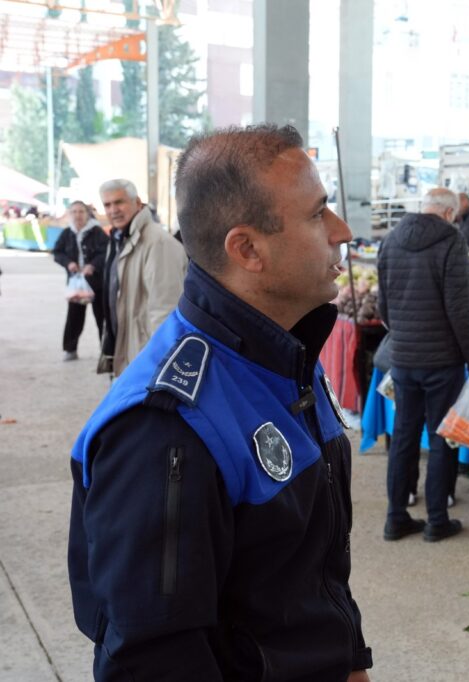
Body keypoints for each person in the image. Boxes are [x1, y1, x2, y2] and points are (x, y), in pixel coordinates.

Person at [68, 124, 373, 680]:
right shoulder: (164, 426)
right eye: (316, 214)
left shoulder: (289, 359)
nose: (342, 231)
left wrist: (351, 662)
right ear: (247, 248)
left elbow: (312, 570)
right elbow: (153, 659)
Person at [377, 187, 469, 542]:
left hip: (404, 358)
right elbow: (460, 311)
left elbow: (383, 306)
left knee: (404, 436)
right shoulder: (452, 241)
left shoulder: (391, 240)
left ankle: (396, 518)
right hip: (442, 362)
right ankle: (437, 521)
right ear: (450, 213)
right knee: (442, 438)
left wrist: (405, 334)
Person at [98, 179, 187, 376]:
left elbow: (165, 310)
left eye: (119, 202)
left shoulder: (158, 244)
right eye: (107, 204)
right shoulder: (120, 238)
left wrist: (160, 365)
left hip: (145, 355)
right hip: (127, 348)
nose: (113, 210)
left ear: (137, 203)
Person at [52, 201, 109, 361]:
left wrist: (93, 265)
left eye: (81, 212)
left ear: (87, 213)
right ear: (70, 214)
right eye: (74, 211)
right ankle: (70, 349)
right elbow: (57, 252)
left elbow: (106, 251)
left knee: (102, 318)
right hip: (77, 284)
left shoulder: (97, 232)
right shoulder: (67, 233)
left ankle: (106, 353)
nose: (78, 215)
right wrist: (68, 263)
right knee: (74, 317)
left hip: (97, 283)